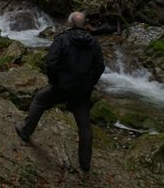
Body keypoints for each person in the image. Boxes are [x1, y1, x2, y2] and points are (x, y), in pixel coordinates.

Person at [15, 11, 105, 173]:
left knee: (40, 101)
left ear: (69, 24)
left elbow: (51, 63)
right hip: (82, 91)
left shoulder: (62, 39)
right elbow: (100, 67)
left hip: (62, 87)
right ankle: (85, 163)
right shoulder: (93, 43)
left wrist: (55, 82)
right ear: (84, 25)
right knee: (84, 125)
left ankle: (25, 131)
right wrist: (89, 84)